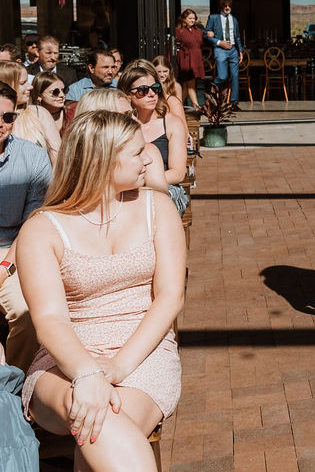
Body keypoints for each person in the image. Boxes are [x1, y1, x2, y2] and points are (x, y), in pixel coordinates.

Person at [18, 111, 185, 471]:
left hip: (145, 352)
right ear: (101, 161)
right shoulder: (42, 229)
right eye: (138, 151)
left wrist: (118, 366)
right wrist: (87, 373)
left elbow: (170, 296)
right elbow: (50, 318)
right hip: (64, 359)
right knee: (99, 419)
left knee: (100, 425)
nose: (149, 157)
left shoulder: (158, 208)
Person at [0, 82, 52, 373]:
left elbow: (33, 223)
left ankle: (15, 383)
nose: (2, 124)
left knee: (26, 311)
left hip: (14, 251)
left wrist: (6, 266)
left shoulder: (32, 157)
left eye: (8, 117)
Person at [118, 61, 189, 215]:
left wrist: (141, 181)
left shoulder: (171, 123)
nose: (151, 94)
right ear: (127, 94)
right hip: (129, 188)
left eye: (155, 88)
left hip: (167, 189)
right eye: (143, 90)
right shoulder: (121, 124)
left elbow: (178, 173)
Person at [75, 90, 170, 194]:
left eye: (134, 113)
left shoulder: (148, 151)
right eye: (126, 116)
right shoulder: (75, 157)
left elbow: (159, 200)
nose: (137, 121)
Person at [0, 62, 60, 165]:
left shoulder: (38, 113)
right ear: (7, 84)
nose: (30, 87)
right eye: (23, 83)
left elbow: (56, 153)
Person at [204, 0, 242, 106]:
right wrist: (219, 42)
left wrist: (240, 51)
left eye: (229, 6)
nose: (227, 7)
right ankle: (211, 92)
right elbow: (205, 35)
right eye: (225, 5)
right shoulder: (213, 18)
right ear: (221, 6)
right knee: (222, 76)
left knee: (235, 76)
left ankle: (234, 102)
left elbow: (238, 37)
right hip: (220, 50)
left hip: (233, 50)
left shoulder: (234, 20)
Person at [174, 9, 204, 109]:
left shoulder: (198, 30)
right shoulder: (179, 30)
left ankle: (177, 105)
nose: (192, 20)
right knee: (190, 83)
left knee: (187, 85)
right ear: (184, 19)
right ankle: (196, 105)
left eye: (194, 18)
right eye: (190, 18)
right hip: (185, 59)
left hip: (196, 58)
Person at [152, 56, 187, 125]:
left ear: (170, 70)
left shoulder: (176, 86)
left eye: (165, 71)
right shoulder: (151, 87)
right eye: (158, 72)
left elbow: (179, 110)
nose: (162, 75)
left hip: (173, 122)